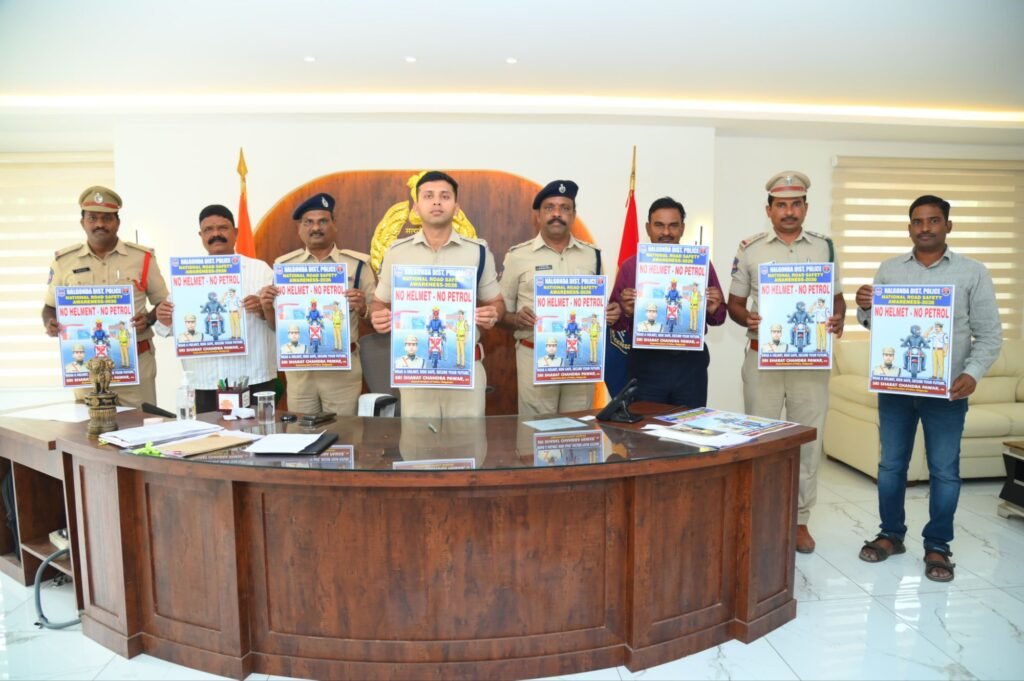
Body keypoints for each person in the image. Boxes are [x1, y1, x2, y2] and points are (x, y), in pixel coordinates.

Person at [854, 194, 1001, 582]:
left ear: (948, 226)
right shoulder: (889, 270)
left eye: (934, 220)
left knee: (944, 471)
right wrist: (865, 306)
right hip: (896, 388)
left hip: (947, 392)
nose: (925, 228)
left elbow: (990, 335)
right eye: (918, 221)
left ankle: (938, 545)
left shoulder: (973, 273)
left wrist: (973, 373)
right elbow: (877, 325)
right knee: (890, 466)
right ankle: (891, 534)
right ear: (909, 228)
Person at [726, 171, 845, 554]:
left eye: (796, 204)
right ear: (769, 210)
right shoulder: (750, 249)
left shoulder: (825, 248)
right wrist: (746, 318)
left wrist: (838, 317)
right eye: (781, 205)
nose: (789, 211)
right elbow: (734, 304)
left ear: (806, 208)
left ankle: (799, 520)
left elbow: (836, 298)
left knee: (808, 441)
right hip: (762, 358)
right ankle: (762, 516)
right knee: (761, 440)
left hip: (810, 362)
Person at [371, 171, 504, 418]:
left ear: (456, 207)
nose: (436, 202)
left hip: (465, 369)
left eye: (445, 196)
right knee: (418, 440)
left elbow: (497, 302)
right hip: (415, 371)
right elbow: (378, 303)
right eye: (428, 196)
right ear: (416, 207)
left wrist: (493, 313)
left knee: (468, 440)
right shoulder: (396, 253)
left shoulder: (478, 252)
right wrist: (378, 316)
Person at [498, 179, 620, 415]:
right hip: (534, 355)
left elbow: (598, 309)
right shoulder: (518, 257)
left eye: (565, 208)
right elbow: (500, 313)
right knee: (536, 429)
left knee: (578, 426)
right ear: (538, 215)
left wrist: (609, 313)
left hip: (580, 358)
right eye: (550, 208)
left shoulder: (592, 256)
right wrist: (516, 319)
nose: (557, 214)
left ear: (573, 215)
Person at [42, 186, 169, 407]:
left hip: (135, 363)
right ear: (82, 222)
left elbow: (163, 303)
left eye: (107, 218)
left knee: (141, 424)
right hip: (87, 367)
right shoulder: (64, 262)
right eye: (92, 218)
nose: (99, 224)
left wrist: (148, 319)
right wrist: (50, 322)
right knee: (90, 426)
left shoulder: (142, 258)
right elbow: (49, 307)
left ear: (117, 222)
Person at [260, 193, 376, 416]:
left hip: (342, 370)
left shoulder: (357, 265)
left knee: (344, 432)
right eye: (308, 222)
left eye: (323, 221)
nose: (316, 228)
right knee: (302, 432)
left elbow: (377, 319)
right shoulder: (284, 267)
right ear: (299, 229)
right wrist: (266, 307)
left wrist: (362, 308)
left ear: (334, 225)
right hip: (300, 372)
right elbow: (277, 327)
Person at [154, 205, 277, 414]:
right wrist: (164, 316)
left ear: (236, 232)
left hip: (253, 376)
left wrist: (263, 309)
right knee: (210, 434)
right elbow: (165, 327)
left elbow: (280, 321)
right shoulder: (187, 274)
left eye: (223, 228)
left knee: (257, 432)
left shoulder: (260, 270)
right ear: (201, 235)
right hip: (204, 380)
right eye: (208, 230)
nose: (216, 234)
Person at [610, 197, 726, 408]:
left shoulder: (700, 265)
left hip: (690, 364)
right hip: (647, 365)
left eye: (673, 225)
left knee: (690, 425)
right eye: (659, 225)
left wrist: (713, 308)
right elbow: (614, 322)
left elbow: (719, 318)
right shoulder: (630, 267)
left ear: (682, 228)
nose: (666, 232)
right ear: (648, 228)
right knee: (646, 426)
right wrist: (625, 312)